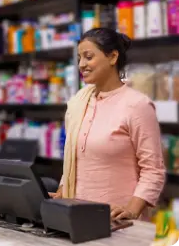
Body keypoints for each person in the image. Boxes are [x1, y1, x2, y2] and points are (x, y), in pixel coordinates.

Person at [49, 28, 165, 221]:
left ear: (112, 57)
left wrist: (131, 210)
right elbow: (74, 159)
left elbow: (153, 170)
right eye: (79, 58)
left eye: (88, 57)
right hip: (76, 218)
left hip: (118, 223)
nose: (81, 64)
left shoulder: (137, 105)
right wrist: (63, 189)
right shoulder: (79, 101)